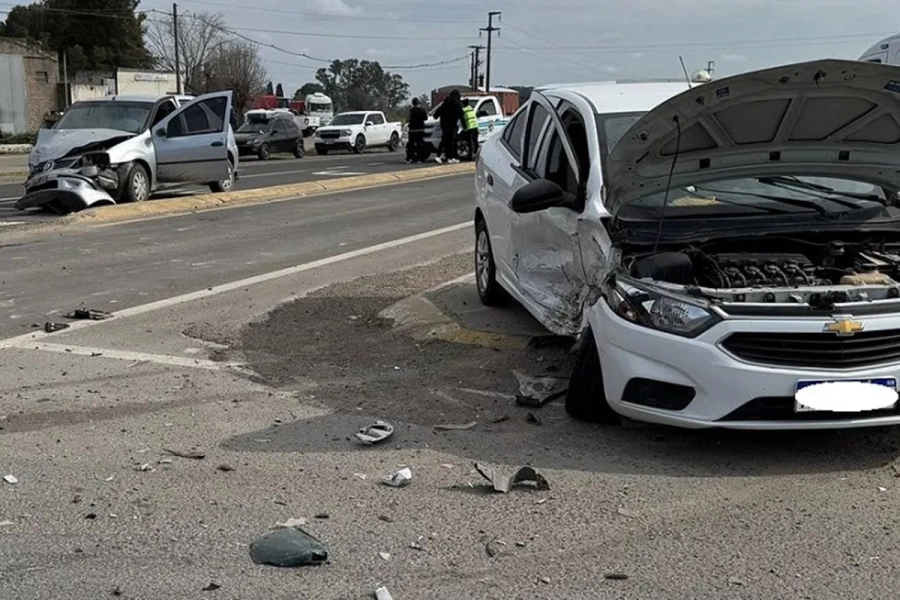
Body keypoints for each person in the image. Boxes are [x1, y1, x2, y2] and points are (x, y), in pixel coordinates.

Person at [433, 89, 463, 164]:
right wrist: (464, 125)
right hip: (452, 124)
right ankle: (450, 157)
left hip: (444, 124)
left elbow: (438, 111)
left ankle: (439, 156)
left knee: (444, 140)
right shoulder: (457, 103)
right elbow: (460, 114)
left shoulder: (446, 102)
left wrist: (436, 116)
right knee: (451, 142)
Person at [405, 97, 428, 164]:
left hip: (413, 130)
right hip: (420, 129)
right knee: (420, 144)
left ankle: (410, 158)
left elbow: (408, 119)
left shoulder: (411, 111)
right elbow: (425, 118)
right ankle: (419, 158)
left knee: (411, 145)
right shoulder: (423, 110)